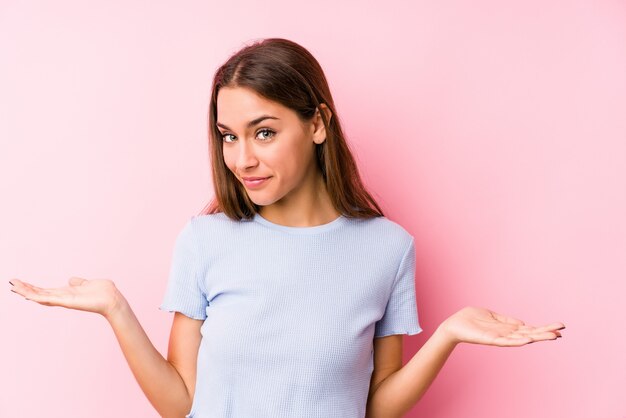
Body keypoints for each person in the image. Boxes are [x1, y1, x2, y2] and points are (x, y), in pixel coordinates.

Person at [9, 38, 565, 418]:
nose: (242, 158)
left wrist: (446, 336)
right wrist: (115, 308)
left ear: (317, 123)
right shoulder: (206, 240)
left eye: (264, 132)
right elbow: (184, 402)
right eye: (229, 135)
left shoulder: (388, 250)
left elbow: (373, 405)